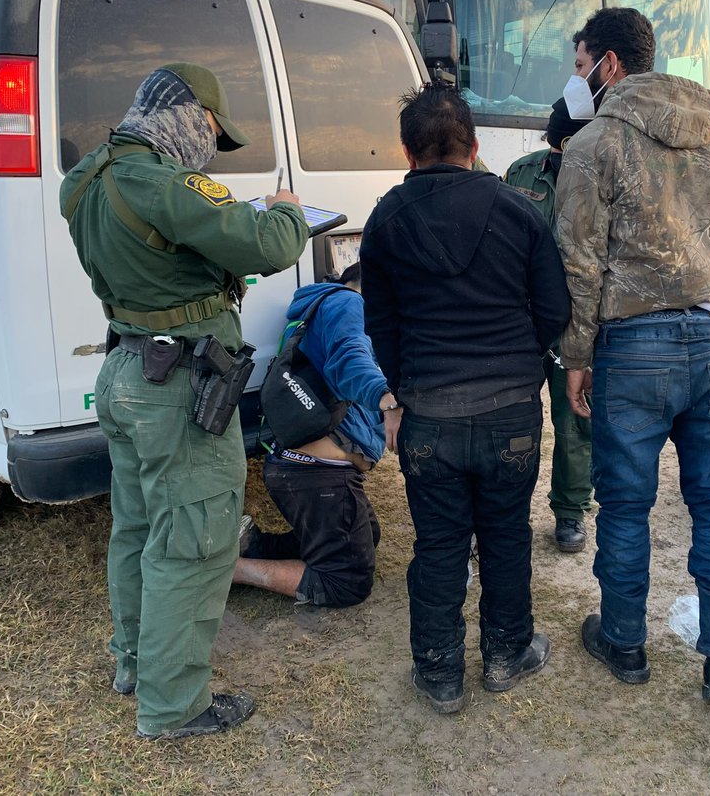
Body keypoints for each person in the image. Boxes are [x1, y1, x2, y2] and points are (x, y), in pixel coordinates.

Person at [61, 63, 309, 739]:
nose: (208, 145)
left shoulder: (86, 178)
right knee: (193, 543)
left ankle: (135, 664)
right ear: (186, 115)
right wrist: (286, 203)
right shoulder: (160, 182)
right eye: (208, 128)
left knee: (138, 528)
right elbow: (274, 243)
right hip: (177, 387)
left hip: (126, 372)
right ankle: (174, 707)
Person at [553, 8, 710, 703]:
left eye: (582, 65)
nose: (578, 79)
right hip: (709, 343)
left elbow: (578, 262)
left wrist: (575, 354)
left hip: (630, 346)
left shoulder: (594, 146)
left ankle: (624, 641)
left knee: (624, 505)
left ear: (610, 65)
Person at [360, 84, 571, 714]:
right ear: (474, 146)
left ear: (407, 151)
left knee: (440, 543)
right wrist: (517, 366)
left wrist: (404, 392)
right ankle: (508, 654)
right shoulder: (518, 210)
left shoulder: (386, 220)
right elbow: (554, 310)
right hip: (511, 413)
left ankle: (440, 675)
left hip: (429, 416)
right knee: (506, 536)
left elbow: (381, 325)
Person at [233, 261, 396, 607]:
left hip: (305, 468)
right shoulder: (349, 302)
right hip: (314, 473)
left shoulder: (326, 305)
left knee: (370, 535)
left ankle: (253, 544)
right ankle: (232, 571)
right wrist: (385, 396)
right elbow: (350, 358)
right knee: (347, 580)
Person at [503, 98, 594, 553]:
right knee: (512, 419)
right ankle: (506, 512)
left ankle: (570, 511)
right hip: (521, 322)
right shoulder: (521, 173)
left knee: (574, 420)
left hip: (576, 325)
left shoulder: (603, 177)